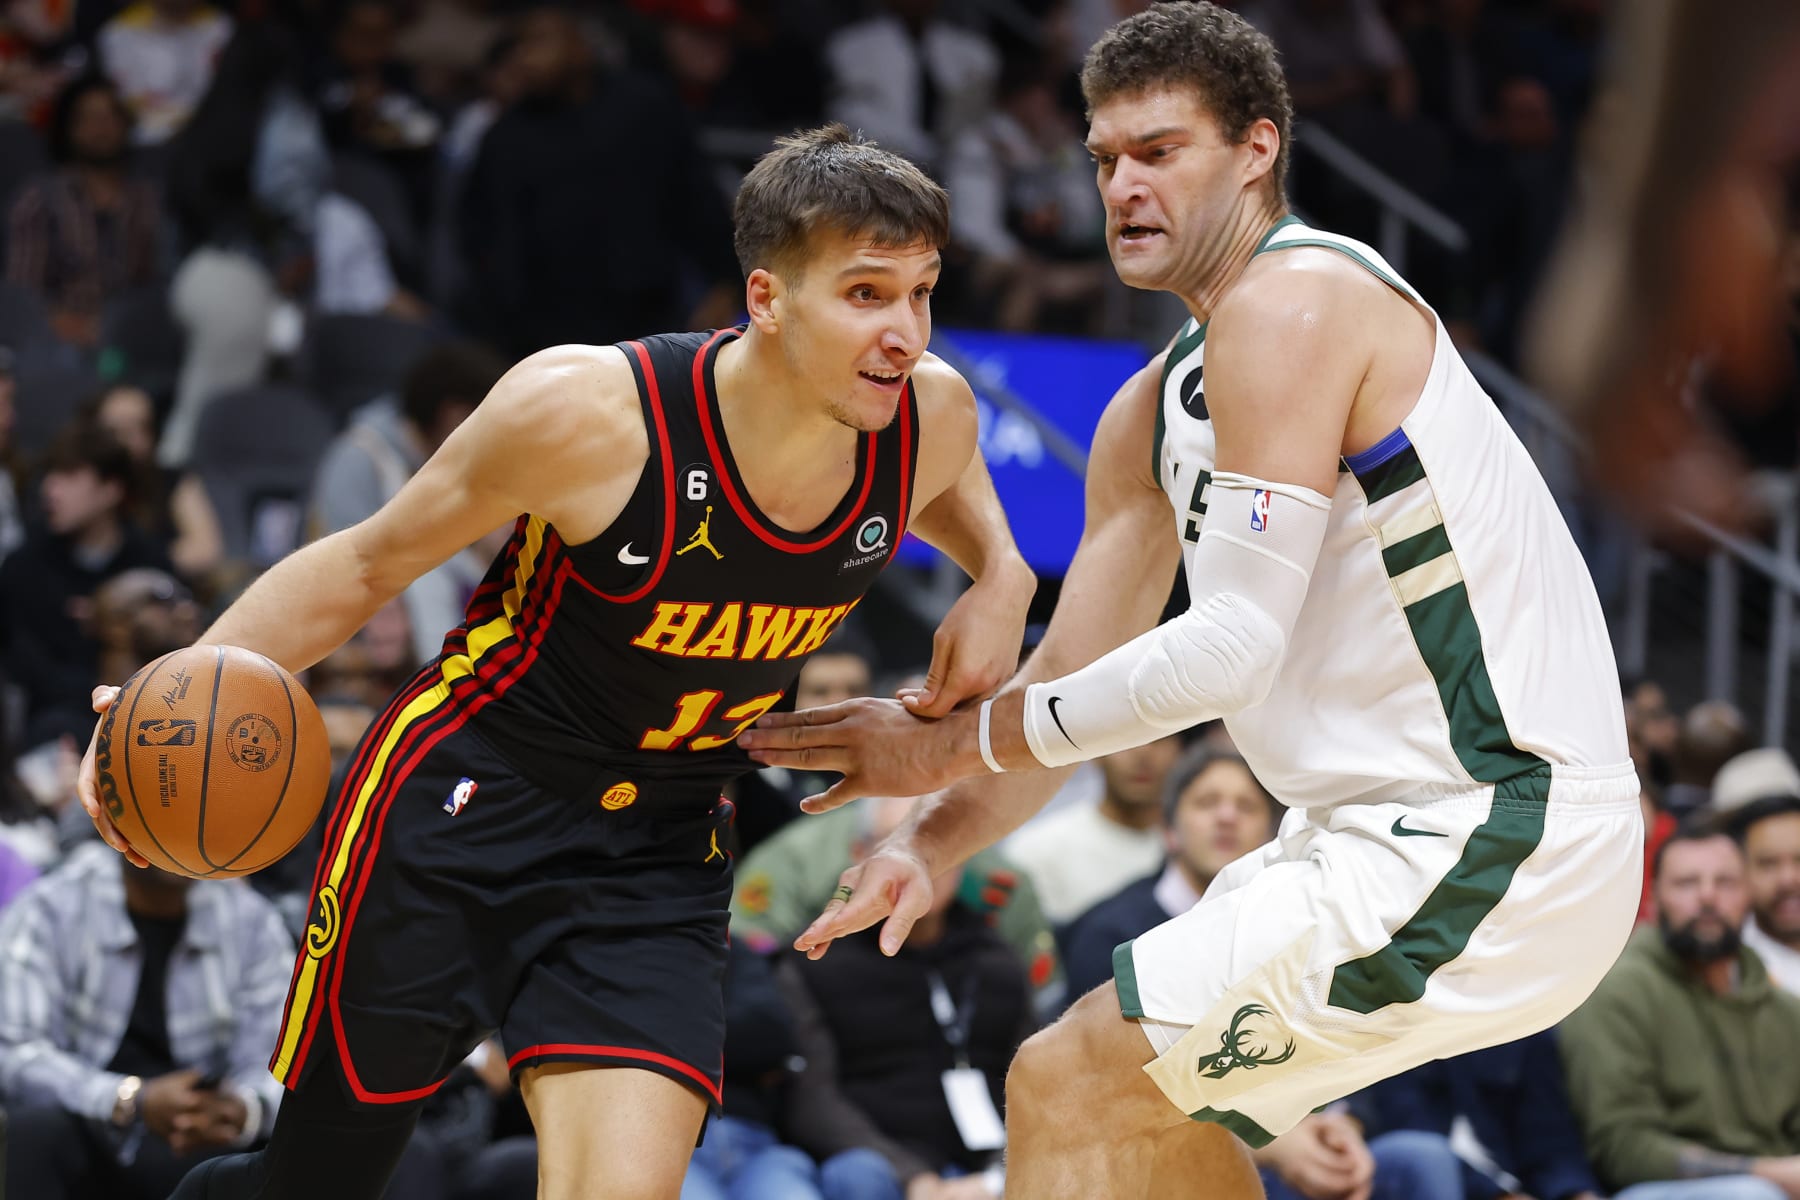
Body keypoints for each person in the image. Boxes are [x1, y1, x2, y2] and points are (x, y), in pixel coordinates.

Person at [740, 7, 1642, 1196]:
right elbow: (1065, 690)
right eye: (1104, 158)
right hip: (1367, 834)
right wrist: (933, 837)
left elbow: (1226, 653)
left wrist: (950, 743)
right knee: (1144, 1114)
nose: (1122, 186)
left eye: (1160, 152)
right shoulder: (1147, 410)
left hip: (1497, 821)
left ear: (1257, 150)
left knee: (1071, 1082)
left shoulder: (1299, 296)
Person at [78, 124, 1037, 1200]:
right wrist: (165, 703)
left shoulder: (930, 414)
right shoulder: (588, 413)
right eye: (866, 294)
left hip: (660, 843)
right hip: (466, 804)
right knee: (315, 1184)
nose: (904, 332)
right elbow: (364, 564)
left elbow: (948, 473)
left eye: (922, 293)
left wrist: (1003, 571)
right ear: (766, 299)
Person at [1558, 825, 1800, 1198]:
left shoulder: (1784, 1008)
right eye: (1687, 883)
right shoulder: (1616, 991)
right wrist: (1771, 1174)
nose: (1707, 897)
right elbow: (1623, 1150)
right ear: (1653, 898)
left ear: (1748, 894)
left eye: (1725, 882)